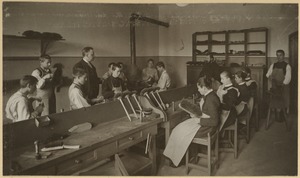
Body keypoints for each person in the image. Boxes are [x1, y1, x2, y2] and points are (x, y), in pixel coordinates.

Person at [163, 76, 220, 167]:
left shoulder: (211, 99)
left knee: (180, 132)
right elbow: (207, 112)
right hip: (205, 122)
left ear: (204, 88)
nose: (198, 90)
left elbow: (215, 121)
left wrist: (199, 120)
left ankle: (180, 159)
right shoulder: (209, 95)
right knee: (179, 128)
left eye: (199, 88)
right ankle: (178, 156)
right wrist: (196, 114)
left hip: (208, 128)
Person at [266, 49, 291, 122]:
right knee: (275, 101)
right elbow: (267, 74)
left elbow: (288, 78)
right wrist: (272, 79)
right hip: (275, 87)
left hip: (283, 87)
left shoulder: (287, 66)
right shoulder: (273, 65)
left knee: (284, 101)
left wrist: (282, 84)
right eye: (277, 55)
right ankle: (277, 116)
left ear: (284, 56)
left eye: (280, 55)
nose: (279, 57)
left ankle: (282, 117)